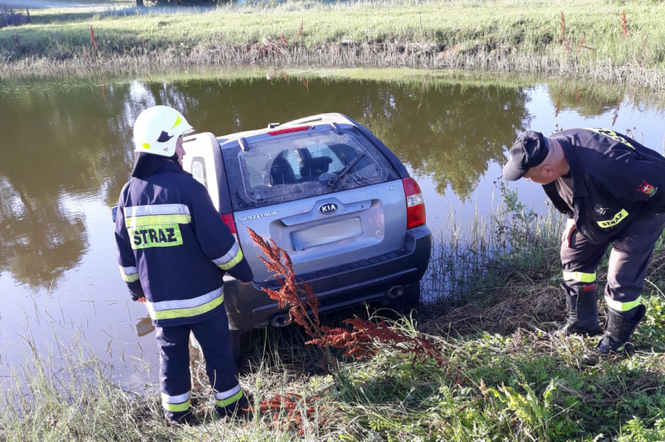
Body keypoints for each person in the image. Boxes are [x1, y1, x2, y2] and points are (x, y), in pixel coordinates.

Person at [114, 105, 253, 423]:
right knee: (218, 354)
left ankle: (176, 416)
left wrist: (135, 288)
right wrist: (242, 271)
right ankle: (230, 409)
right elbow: (218, 244)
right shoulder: (189, 188)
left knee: (172, 361)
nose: (184, 149)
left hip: (161, 305)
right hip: (203, 301)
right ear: (164, 144)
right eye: (179, 142)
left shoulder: (127, 194)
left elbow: (124, 252)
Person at [502, 128, 665, 356]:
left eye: (528, 176)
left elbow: (660, 183)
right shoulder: (552, 149)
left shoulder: (612, 166)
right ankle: (583, 323)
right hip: (605, 202)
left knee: (621, 276)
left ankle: (615, 344)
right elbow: (569, 190)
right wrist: (572, 217)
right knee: (573, 251)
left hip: (648, 209)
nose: (528, 180)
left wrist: (636, 232)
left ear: (547, 170)